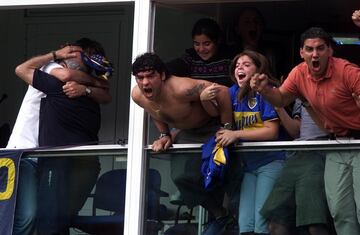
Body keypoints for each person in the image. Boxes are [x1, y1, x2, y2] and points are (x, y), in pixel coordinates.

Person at [250, 16, 360, 235]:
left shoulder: (348, 71)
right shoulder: (299, 73)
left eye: (320, 48)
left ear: (330, 51)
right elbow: (281, 99)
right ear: (302, 52)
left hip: (359, 141)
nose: (315, 54)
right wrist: (264, 90)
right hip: (336, 144)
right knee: (339, 210)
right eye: (309, 49)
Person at [8, 38, 112, 235]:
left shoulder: (79, 82)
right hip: (25, 152)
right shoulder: (51, 67)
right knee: (28, 216)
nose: (81, 58)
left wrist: (87, 88)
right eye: (82, 54)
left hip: (47, 155)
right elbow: (24, 70)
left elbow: (106, 96)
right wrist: (56, 54)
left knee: (50, 216)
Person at [131, 52, 235, 235]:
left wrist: (227, 127)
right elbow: (154, 110)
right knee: (180, 175)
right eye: (140, 77)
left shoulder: (182, 88)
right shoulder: (138, 95)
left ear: (162, 75)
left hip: (212, 127)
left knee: (222, 171)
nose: (145, 82)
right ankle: (219, 214)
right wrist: (164, 134)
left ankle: (233, 219)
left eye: (150, 76)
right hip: (187, 133)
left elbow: (223, 92)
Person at [201, 50, 286, 234]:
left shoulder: (265, 91)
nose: (240, 67)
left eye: (246, 65)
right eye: (237, 65)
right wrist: (204, 99)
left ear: (258, 70)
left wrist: (236, 134)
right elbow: (214, 113)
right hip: (248, 166)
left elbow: (271, 132)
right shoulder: (232, 93)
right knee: (245, 224)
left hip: (271, 162)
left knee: (261, 223)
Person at [260, 100, 332, 235]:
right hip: (296, 155)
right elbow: (296, 131)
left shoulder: (333, 86)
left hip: (320, 153)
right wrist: (279, 107)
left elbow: (332, 128)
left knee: (314, 225)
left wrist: (309, 102)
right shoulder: (300, 93)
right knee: (276, 224)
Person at [166, 18, 234, 87]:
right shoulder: (190, 58)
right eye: (197, 44)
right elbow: (171, 67)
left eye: (207, 44)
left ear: (218, 40)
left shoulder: (229, 59)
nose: (201, 49)